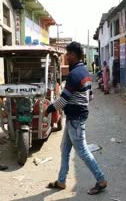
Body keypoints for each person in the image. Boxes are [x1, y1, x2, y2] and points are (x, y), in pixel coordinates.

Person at [45, 42, 107, 195]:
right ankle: (61, 181)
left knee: (83, 151)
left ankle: (101, 180)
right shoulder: (84, 71)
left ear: (76, 55)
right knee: (64, 148)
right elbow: (90, 96)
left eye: (69, 54)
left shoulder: (74, 74)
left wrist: (50, 108)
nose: (67, 56)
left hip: (75, 119)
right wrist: (80, 103)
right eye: (67, 53)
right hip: (75, 117)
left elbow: (63, 100)